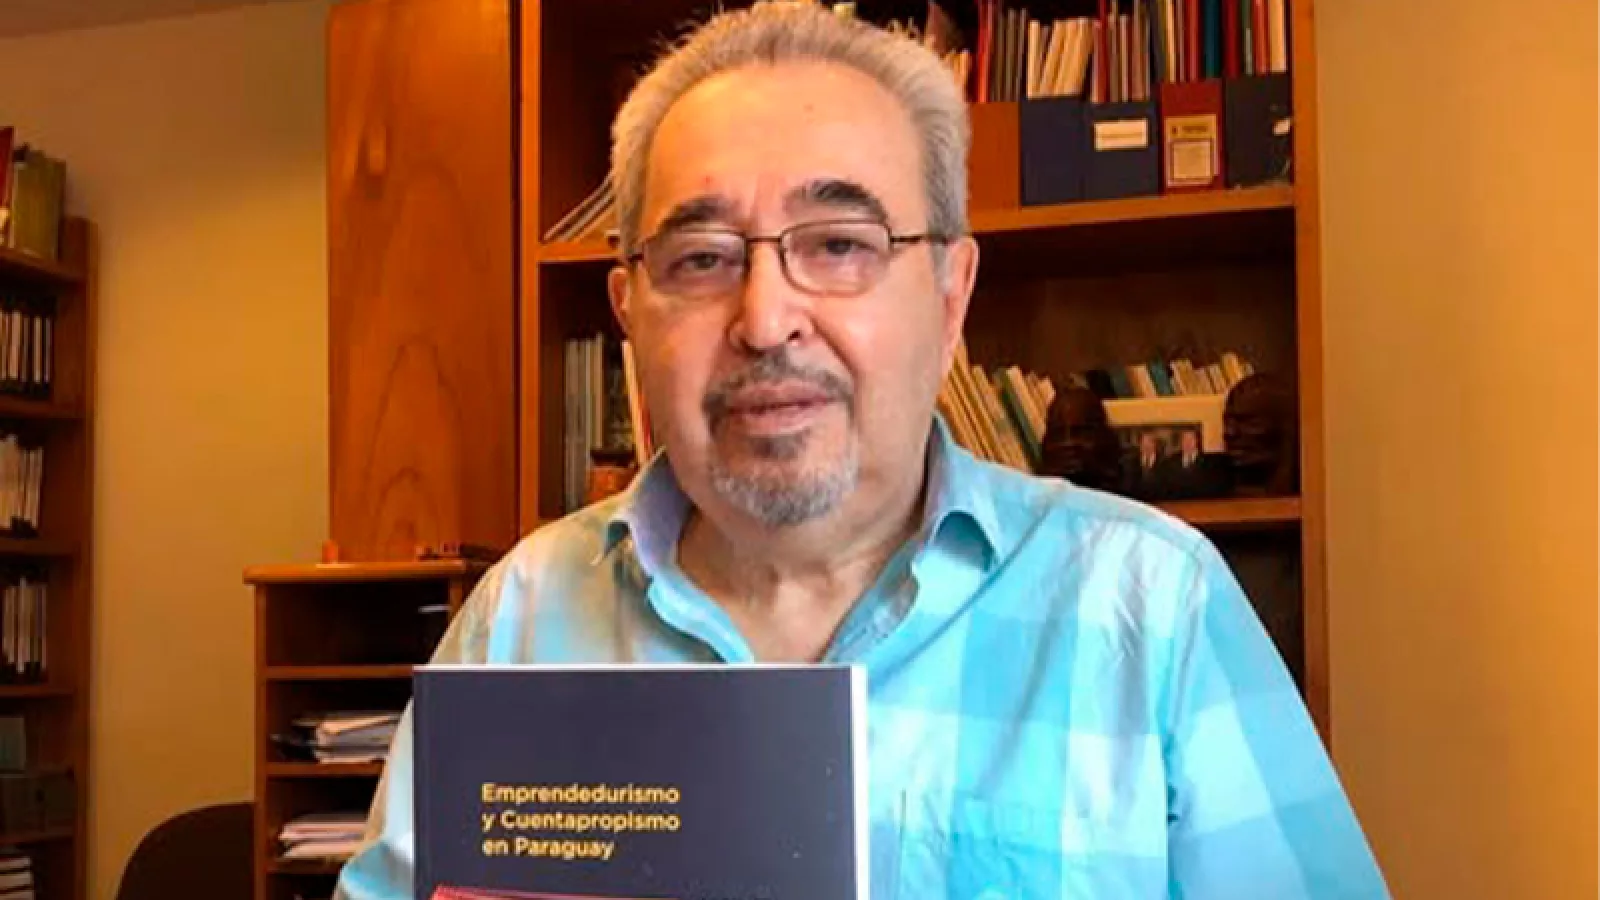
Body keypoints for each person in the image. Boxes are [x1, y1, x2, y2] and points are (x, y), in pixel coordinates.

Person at [333, 4, 1388, 898]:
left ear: (950, 296)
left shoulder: (1151, 604)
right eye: (701, 259)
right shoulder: (518, 620)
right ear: (628, 313)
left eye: (838, 245)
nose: (765, 319)